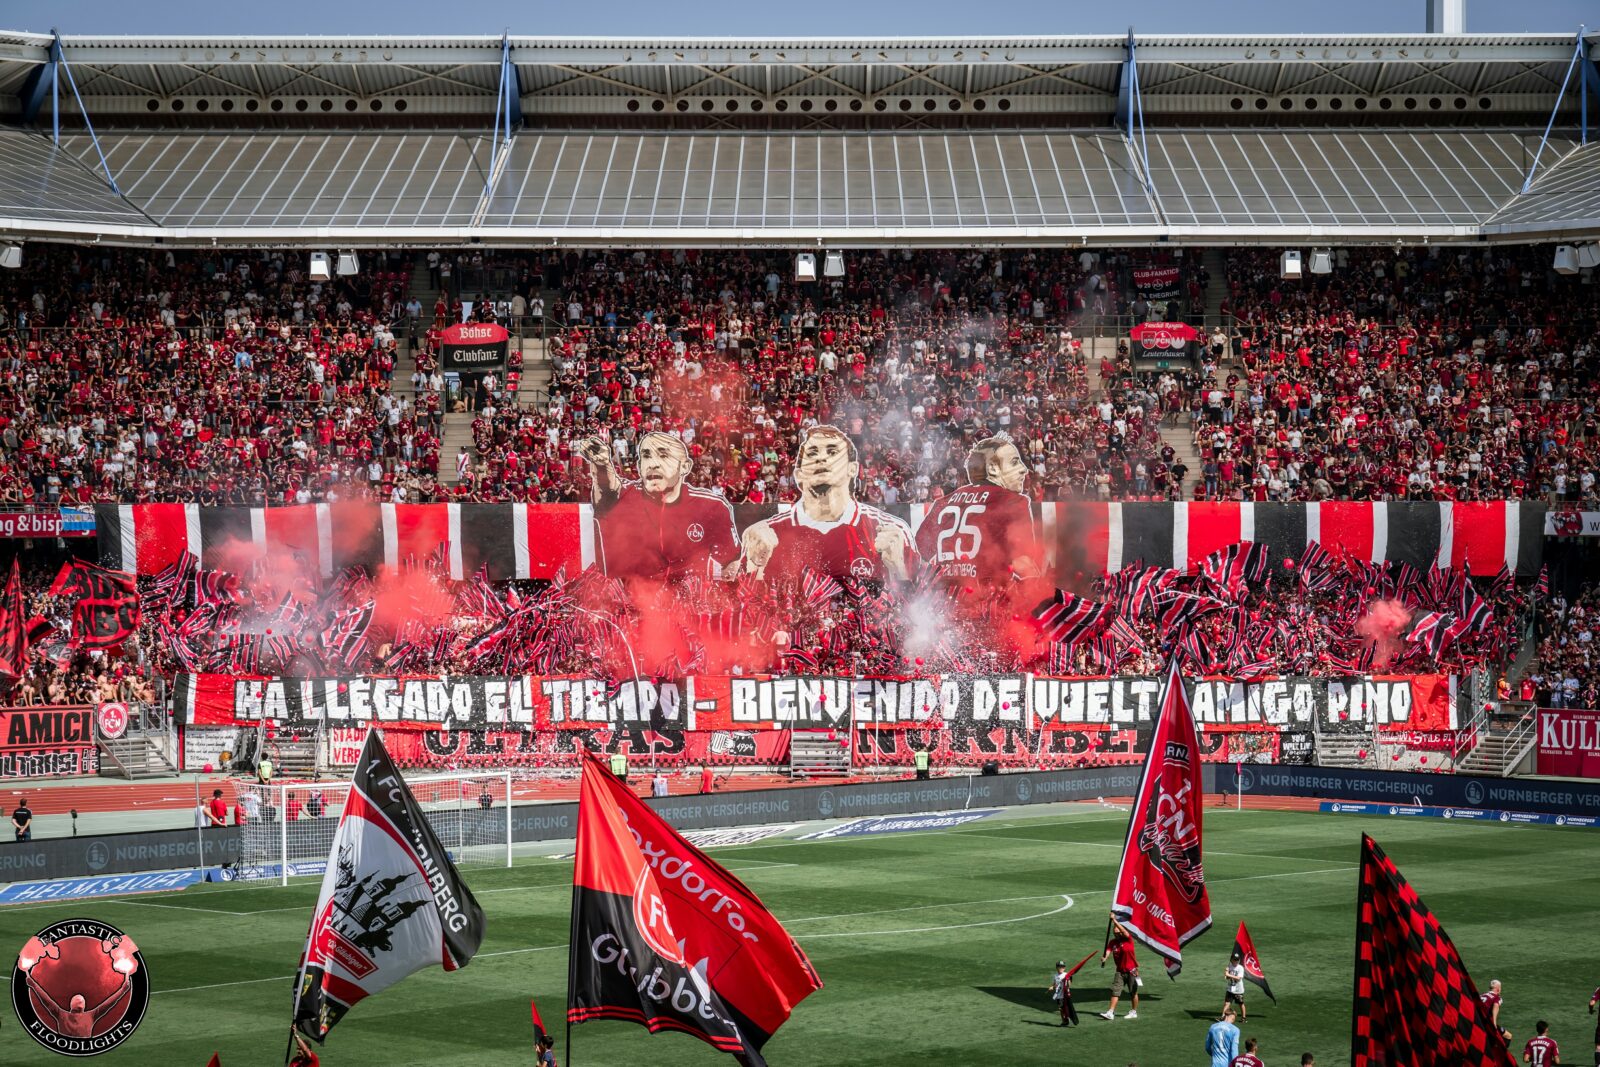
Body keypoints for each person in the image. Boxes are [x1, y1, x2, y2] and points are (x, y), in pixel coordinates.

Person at [738, 425, 917, 584]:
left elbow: (925, 608)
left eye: (832, 452)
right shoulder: (767, 535)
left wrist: (900, 569)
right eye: (813, 453)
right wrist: (755, 569)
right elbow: (739, 612)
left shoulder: (892, 531)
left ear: (852, 469)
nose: (821, 459)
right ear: (799, 474)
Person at [578, 432, 739, 582]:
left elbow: (732, 561)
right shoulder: (625, 496)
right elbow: (608, 489)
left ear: (685, 466)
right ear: (640, 466)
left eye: (663, 455)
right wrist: (602, 465)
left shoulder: (712, 507)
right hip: (626, 606)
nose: (653, 464)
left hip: (686, 607)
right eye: (646, 456)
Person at [913, 435, 1041, 587]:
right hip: (985, 599)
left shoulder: (943, 502)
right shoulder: (1012, 501)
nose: (1023, 469)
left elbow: (920, 550)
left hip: (943, 601)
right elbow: (1022, 562)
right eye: (1014, 462)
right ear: (993, 468)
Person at [1098, 918, 1140, 1020]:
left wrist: (1114, 920)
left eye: (1118, 932)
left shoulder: (1128, 939)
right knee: (1115, 991)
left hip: (1132, 971)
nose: (1116, 934)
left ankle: (1133, 1011)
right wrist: (1105, 958)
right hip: (1120, 971)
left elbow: (1125, 932)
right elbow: (1108, 951)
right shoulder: (1113, 942)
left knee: (1133, 992)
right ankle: (1110, 1012)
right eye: (1114, 933)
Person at [1049, 960, 1079, 1026]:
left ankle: (1069, 1018)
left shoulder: (1066, 975)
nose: (1061, 968)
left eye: (1062, 967)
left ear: (1064, 968)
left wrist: (1067, 979)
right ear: (1056, 968)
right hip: (1058, 995)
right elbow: (1055, 984)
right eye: (1059, 967)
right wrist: (1052, 987)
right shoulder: (1055, 976)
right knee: (1060, 1009)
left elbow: (1069, 985)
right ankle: (1064, 1021)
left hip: (1065, 995)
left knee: (1066, 1008)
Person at [1224, 950, 1248, 1022]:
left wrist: (1228, 974)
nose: (1236, 961)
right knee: (1226, 1003)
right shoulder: (1229, 966)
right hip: (1230, 989)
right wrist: (1226, 973)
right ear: (1231, 960)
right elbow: (1227, 978)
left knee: (1241, 1004)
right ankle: (1222, 1017)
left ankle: (1243, 1018)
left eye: (1237, 960)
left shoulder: (1240, 968)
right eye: (1235, 960)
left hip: (1238, 990)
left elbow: (1238, 978)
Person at [1482, 978, 1509, 1042]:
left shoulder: (1482, 995)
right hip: (1487, 1023)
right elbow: (1496, 1005)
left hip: (1477, 1020)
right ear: (1498, 989)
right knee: (1508, 1036)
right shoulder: (1497, 998)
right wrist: (1494, 1023)